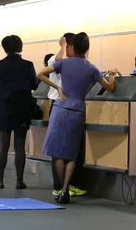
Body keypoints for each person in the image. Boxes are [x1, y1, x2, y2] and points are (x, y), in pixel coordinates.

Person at [37, 32, 118, 204]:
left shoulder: (64, 64)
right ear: (87, 49)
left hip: (59, 109)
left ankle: (59, 189)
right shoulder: (91, 68)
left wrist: (57, 88)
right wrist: (111, 74)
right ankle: (66, 189)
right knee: (72, 154)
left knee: (58, 153)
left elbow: (40, 74)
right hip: (77, 111)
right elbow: (109, 87)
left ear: (72, 47)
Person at [0, 35, 40, 190]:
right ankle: (19, 181)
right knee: (19, 146)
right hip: (22, 109)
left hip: (4, 108)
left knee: (2, 145)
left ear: (4, 48)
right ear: (21, 47)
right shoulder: (28, 65)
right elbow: (34, 84)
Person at [47, 33, 87, 197]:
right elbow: (59, 59)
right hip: (57, 104)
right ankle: (58, 185)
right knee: (58, 149)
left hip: (71, 106)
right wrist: (63, 45)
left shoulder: (76, 63)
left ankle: (69, 185)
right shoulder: (56, 60)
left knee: (73, 149)